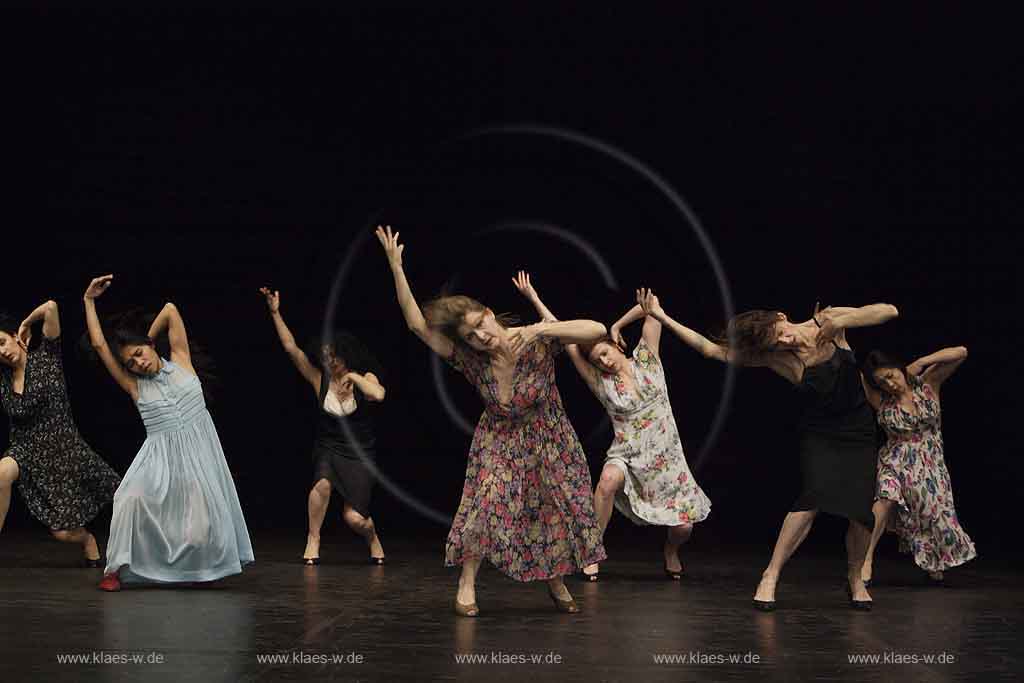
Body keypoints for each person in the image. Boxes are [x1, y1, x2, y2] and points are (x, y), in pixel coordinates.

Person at [376, 226, 606, 616]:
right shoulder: (470, 360)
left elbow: (596, 330)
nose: (480, 336)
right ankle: (467, 583)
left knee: (551, 509)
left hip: (549, 437)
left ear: (487, 313)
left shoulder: (534, 339)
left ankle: (555, 579)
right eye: (470, 335)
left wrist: (540, 327)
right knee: (487, 501)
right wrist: (397, 268)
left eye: (480, 324)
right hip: (499, 438)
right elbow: (417, 325)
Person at [636, 292, 898, 610]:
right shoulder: (776, 358)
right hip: (820, 434)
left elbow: (888, 311)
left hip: (858, 430)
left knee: (860, 512)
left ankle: (855, 579)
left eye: (780, 331)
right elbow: (710, 350)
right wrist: (662, 317)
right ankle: (770, 575)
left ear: (781, 315)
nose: (785, 340)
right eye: (776, 342)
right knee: (813, 498)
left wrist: (842, 321)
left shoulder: (826, 320)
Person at [514, 275, 709, 581]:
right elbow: (564, 336)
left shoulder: (647, 358)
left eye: (604, 352)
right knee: (606, 480)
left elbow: (651, 307)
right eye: (597, 360)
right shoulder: (600, 383)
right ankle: (593, 550)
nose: (602, 361)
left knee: (684, 528)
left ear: (617, 347)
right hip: (627, 454)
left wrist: (617, 325)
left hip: (666, 461)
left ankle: (671, 551)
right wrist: (534, 298)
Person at [83, 274, 253, 591]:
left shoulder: (182, 361)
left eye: (138, 353)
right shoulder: (135, 387)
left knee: (200, 529)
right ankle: (115, 570)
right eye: (130, 362)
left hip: (199, 457)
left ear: (149, 346)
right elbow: (98, 345)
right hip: (158, 460)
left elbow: (171, 310)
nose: (136, 363)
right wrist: (89, 301)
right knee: (128, 498)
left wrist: (142, 338)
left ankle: (197, 573)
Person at [259, 287, 387, 565]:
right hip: (328, 446)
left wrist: (354, 375)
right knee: (322, 485)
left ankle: (372, 537)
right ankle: (313, 538)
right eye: (325, 356)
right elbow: (291, 348)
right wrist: (275, 312)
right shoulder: (320, 379)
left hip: (359, 451)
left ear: (347, 356)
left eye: (334, 357)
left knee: (355, 518)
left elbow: (378, 395)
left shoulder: (365, 376)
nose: (328, 361)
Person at [0, 302, 120, 565]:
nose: (3, 352)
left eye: (2, 342)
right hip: (25, 449)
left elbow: (51, 307)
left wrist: (27, 322)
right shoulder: (4, 382)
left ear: (13, 337)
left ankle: (87, 540)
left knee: (63, 533)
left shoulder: (47, 356)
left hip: (63, 449)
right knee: (2, 472)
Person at [860, 346, 976, 584]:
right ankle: (865, 558)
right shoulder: (880, 399)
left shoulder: (928, 384)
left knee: (932, 516)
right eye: (882, 382)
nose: (889, 384)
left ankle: (933, 560)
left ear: (899, 368)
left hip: (930, 462)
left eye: (891, 376)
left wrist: (922, 361)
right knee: (885, 497)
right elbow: (856, 374)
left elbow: (961, 352)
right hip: (895, 458)